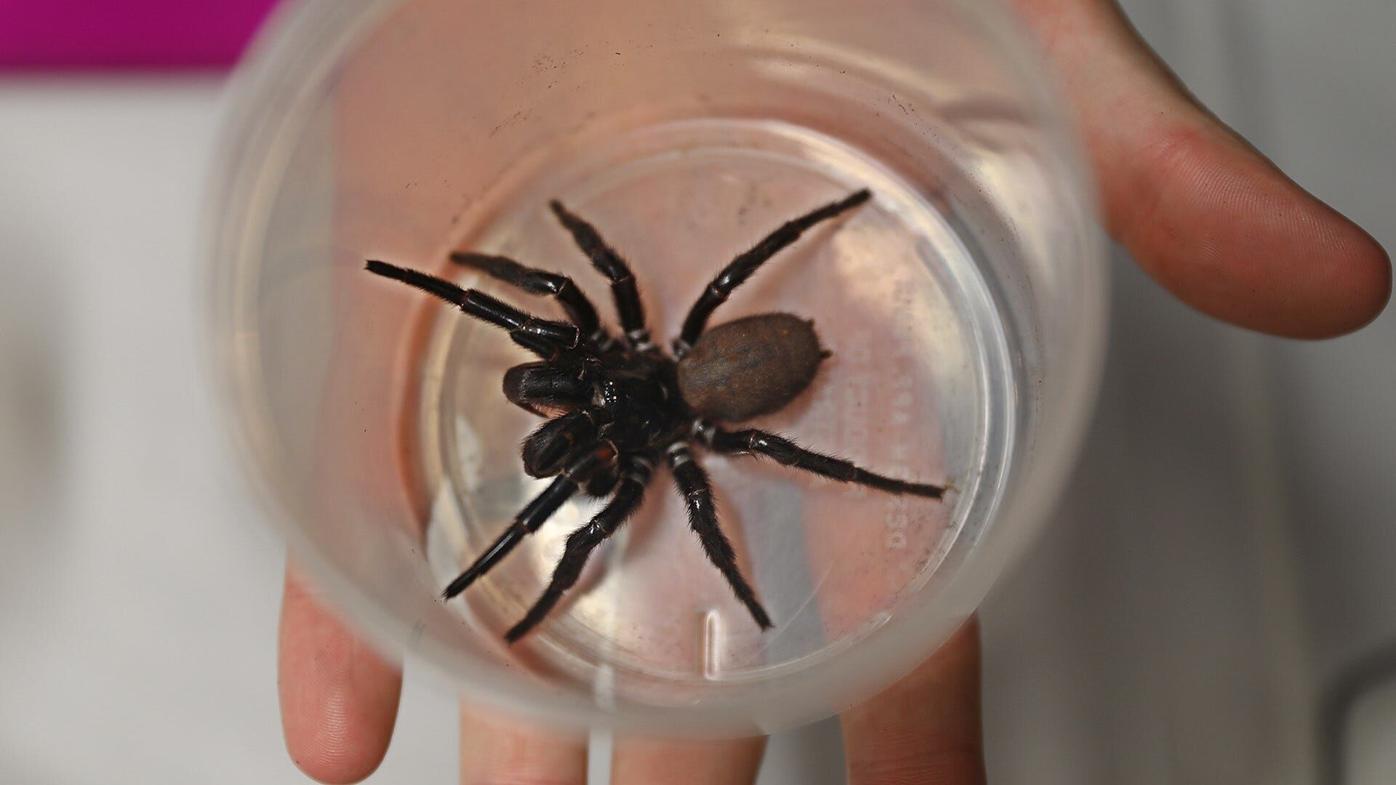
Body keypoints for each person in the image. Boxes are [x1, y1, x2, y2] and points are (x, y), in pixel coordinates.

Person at [277, 0, 1391, 783]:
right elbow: (577, 325)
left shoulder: (655, 428)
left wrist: (505, 580)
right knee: (630, 344)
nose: (570, 417)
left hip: (740, 366)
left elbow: (578, 498)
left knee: (668, 383)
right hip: (711, 371)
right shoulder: (635, 381)